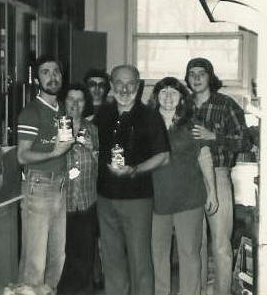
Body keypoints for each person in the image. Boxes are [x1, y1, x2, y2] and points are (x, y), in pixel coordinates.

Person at [95, 64, 170, 295]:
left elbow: (163, 157)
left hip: (137, 199)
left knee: (140, 260)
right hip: (105, 198)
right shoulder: (103, 114)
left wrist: (135, 169)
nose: (124, 88)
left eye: (130, 83)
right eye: (119, 83)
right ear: (111, 85)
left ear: (138, 86)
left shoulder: (150, 116)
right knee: (111, 258)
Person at [184, 57, 251, 295]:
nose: (197, 78)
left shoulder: (226, 104)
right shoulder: (183, 105)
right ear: (187, 79)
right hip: (188, 180)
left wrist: (214, 137)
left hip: (218, 175)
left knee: (221, 245)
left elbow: (245, 141)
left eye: (202, 73)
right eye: (192, 74)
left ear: (210, 77)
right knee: (194, 244)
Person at [151, 77, 218, 295]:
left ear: (181, 98)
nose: (168, 97)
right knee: (157, 254)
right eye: (163, 92)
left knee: (189, 253)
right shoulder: (145, 123)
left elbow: (205, 157)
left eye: (173, 92)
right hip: (154, 200)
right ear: (156, 96)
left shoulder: (193, 124)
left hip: (189, 198)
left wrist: (212, 193)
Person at [17, 55, 73, 295]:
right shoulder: (31, 112)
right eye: (45, 72)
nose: (52, 77)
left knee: (57, 258)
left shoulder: (63, 110)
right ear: (37, 78)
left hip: (60, 186)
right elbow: (22, 156)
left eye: (56, 71)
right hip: (38, 186)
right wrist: (54, 151)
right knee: (35, 262)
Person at [57, 83, 99, 295]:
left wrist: (93, 150)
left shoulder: (93, 130)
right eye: (70, 99)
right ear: (64, 102)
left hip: (86, 202)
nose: (74, 104)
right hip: (58, 203)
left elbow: (107, 168)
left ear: (86, 104)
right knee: (61, 258)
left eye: (80, 100)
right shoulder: (53, 127)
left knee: (84, 257)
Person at [84, 68, 110, 289]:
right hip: (82, 179)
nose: (97, 89)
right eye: (92, 84)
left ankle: (105, 276)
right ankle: (92, 276)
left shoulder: (113, 110)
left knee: (105, 231)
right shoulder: (77, 108)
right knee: (86, 231)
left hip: (107, 177)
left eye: (102, 84)